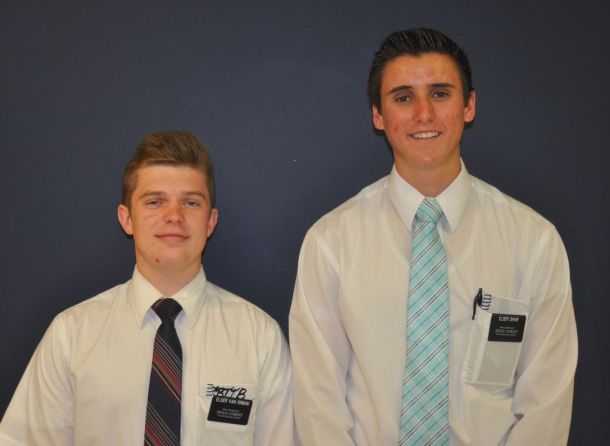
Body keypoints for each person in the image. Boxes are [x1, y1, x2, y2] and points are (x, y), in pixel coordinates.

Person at [289, 28, 577, 445]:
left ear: (469, 105)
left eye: (440, 94)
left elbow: (546, 403)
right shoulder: (331, 242)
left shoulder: (533, 240)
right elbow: (318, 403)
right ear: (378, 115)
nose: (424, 114)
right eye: (403, 97)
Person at [1, 131, 295, 445]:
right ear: (126, 218)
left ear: (210, 222)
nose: (174, 216)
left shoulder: (259, 339)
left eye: (191, 202)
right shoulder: (71, 336)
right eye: (155, 202)